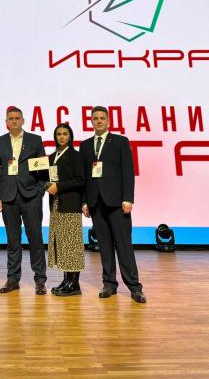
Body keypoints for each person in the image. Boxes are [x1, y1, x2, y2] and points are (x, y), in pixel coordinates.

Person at [79, 106, 146, 303]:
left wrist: (128, 198)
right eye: (95, 118)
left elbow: (128, 172)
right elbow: (84, 176)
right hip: (96, 203)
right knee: (105, 247)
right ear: (91, 121)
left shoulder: (120, 142)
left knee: (124, 246)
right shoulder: (85, 145)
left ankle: (135, 287)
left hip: (117, 203)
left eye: (102, 118)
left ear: (108, 121)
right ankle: (109, 284)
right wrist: (84, 201)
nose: (99, 121)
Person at [0, 106, 47, 295]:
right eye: (11, 118)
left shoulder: (35, 140)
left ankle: (40, 280)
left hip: (31, 196)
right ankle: (13, 279)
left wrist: (40, 191)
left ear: (23, 121)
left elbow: (43, 168)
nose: (14, 121)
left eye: (17, 118)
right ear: (6, 122)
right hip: (8, 197)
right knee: (12, 240)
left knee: (36, 238)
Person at [46, 123, 85, 296]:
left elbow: (80, 180)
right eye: (59, 134)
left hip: (70, 204)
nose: (61, 137)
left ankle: (74, 284)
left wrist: (59, 186)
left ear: (70, 137)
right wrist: (47, 185)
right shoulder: (51, 157)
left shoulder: (75, 156)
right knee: (62, 243)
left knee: (72, 244)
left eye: (65, 134)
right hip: (56, 204)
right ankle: (66, 280)